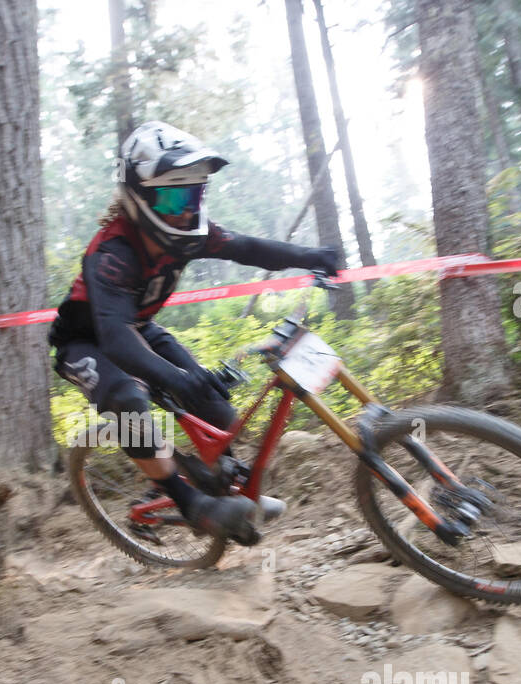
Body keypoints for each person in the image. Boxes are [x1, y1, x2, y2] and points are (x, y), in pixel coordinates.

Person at [50, 120, 340, 544]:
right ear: (140, 198)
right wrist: (177, 379)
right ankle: (190, 503)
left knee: (216, 407)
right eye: (172, 196)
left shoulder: (188, 234)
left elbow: (247, 248)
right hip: (84, 342)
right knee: (129, 402)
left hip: (140, 329)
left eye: (195, 193)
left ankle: (214, 483)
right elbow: (114, 339)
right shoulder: (113, 252)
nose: (186, 208)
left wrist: (310, 255)